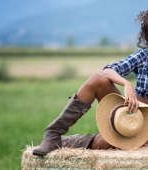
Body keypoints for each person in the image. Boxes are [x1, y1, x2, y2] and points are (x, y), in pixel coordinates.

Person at [33, 10, 148, 155]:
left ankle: (66, 142)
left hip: (143, 126)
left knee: (104, 143)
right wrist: (127, 84)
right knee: (98, 79)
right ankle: (53, 133)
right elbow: (108, 70)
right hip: (133, 112)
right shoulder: (143, 55)